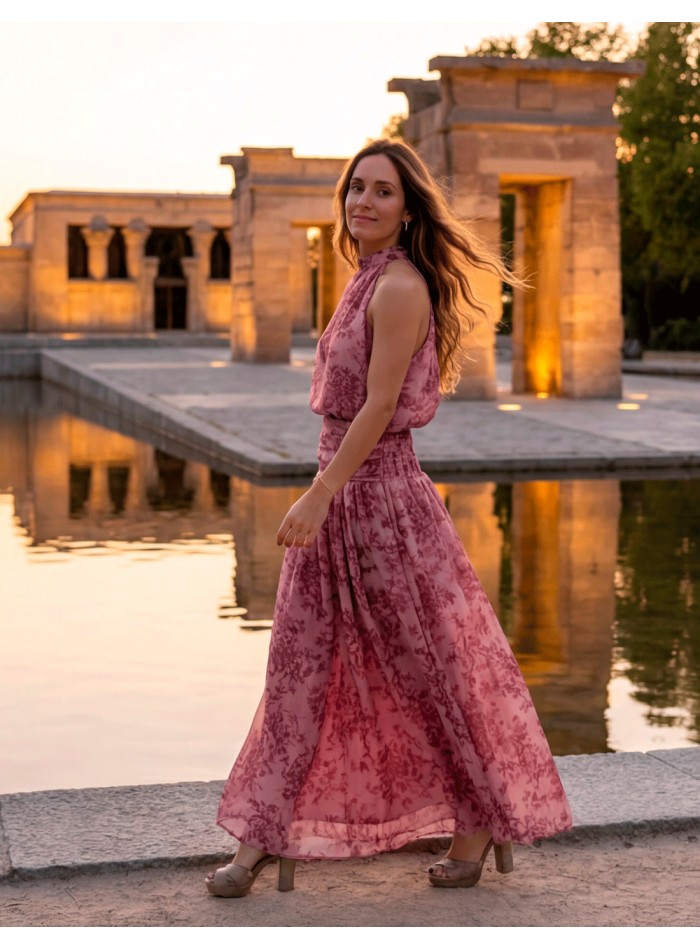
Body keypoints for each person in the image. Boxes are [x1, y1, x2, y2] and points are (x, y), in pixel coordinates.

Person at [205, 138, 572, 898]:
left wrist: (317, 495)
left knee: (426, 673)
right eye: (356, 190)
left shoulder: (400, 285)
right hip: (339, 496)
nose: (362, 203)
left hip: (383, 506)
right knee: (296, 674)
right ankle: (260, 840)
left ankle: (476, 822)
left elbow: (377, 408)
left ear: (408, 211)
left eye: (381, 192)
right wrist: (323, 493)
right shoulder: (362, 279)